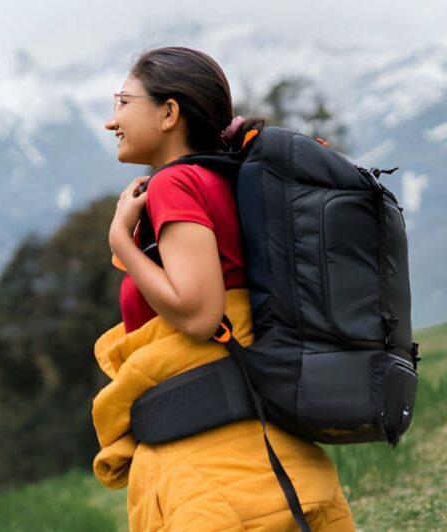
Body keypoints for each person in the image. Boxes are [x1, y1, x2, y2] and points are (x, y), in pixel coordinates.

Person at [93, 46, 356, 531]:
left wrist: (120, 242)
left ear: (169, 113)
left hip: (214, 470)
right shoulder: (226, 179)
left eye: (123, 102)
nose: (113, 121)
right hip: (265, 452)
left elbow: (199, 314)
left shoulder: (176, 184)